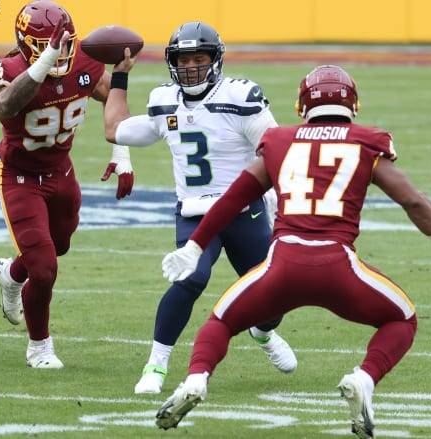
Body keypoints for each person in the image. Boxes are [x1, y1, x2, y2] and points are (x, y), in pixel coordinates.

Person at [154, 65, 431, 438]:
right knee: (403, 320)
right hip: (339, 266)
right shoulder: (366, 142)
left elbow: (234, 198)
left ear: (302, 105)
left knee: (221, 322)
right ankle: (363, 380)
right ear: (353, 103)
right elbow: (413, 200)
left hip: (282, 263)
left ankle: (195, 381)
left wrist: (195, 246)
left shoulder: (279, 140)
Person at [104, 21, 297, 394]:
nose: (191, 67)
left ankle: (262, 331)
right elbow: (116, 129)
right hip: (195, 212)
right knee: (190, 277)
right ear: (172, 62)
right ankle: (156, 365)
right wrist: (119, 78)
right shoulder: (164, 101)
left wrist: (278, 203)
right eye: (184, 59)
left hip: (245, 212)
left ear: (216, 60)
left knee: (274, 297)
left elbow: (274, 153)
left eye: (199, 58)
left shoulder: (241, 97)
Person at [0, 0, 134, 369]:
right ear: (27, 47)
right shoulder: (10, 69)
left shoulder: (83, 62)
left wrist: (123, 153)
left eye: (66, 44)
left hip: (60, 171)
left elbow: (110, 97)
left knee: (59, 248)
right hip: (18, 176)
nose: (62, 52)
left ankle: (10, 274)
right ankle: (39, 347)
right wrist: (44, 61)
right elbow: (5, 106)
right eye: (53, 45)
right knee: (45, 268)